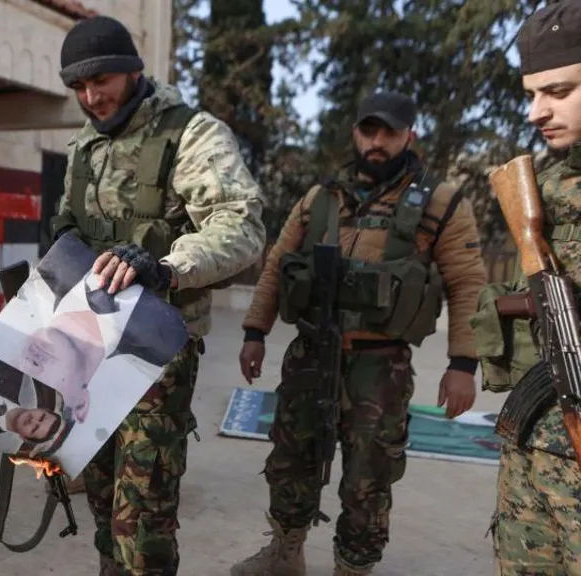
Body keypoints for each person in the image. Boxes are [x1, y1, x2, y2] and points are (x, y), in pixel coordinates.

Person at [230, 91, 487, 576]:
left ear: (410, 135)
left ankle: (353, 568)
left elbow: (468, 282)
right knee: (291, 458)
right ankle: (285, 555)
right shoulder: (320, 198)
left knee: (369, 476)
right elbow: (275, 268)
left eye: (389, 132)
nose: (377, 141)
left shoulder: (439, 200)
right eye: (369, 130)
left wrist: (463, 365)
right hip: (310, 352)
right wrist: (254, 331)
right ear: (355, 132)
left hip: (381, 365)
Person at [49, 15, 267, 575]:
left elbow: (241, 226)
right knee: (98, 492)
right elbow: (67, 229)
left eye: (101, 81)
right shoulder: (83, 147)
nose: (91, 97)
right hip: (87, 345)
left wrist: (165, 266)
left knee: (142, 513)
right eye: (78, 86)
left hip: (155, 350)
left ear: (134, 71)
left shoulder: (191, 134)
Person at [476, 2, 581, 573]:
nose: (537, 111)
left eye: (558, 92)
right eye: (531, 93)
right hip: (530, 454)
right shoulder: (542, 188)